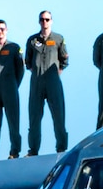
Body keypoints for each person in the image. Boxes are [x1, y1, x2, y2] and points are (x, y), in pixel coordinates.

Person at [26, 13, 70, 155]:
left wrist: (58, 71)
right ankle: (33, 149)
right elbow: (28, 61)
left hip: (53, 82)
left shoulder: (58, 39)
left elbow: (64, 59)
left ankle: (61, 147)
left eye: (47, 19)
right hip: (37, 82)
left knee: (58, 115)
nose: (44, 22)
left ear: (51, 21)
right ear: (39, 22)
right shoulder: (32, 40)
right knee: (34, 117)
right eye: (42, 20)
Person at [0, 20, 24, 159]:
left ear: (6, 30)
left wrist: (13, 84)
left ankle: (14, 151)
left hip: (10, 87)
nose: (0, 32)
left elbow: (20, 69)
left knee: (13, 121)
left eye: (2, 29)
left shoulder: (14, 48)